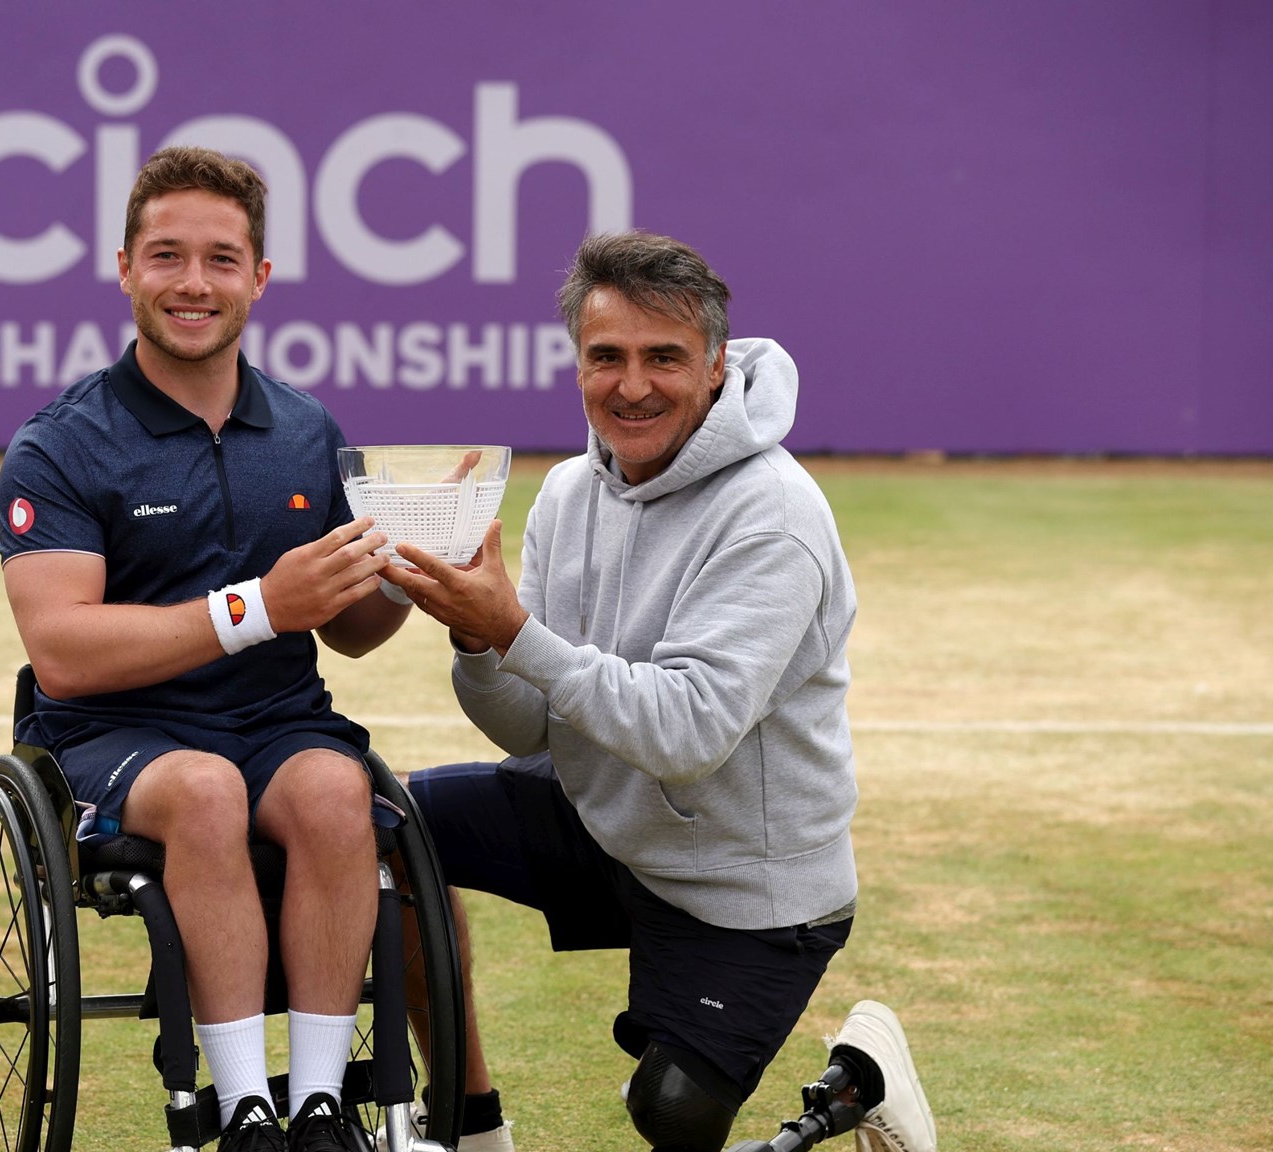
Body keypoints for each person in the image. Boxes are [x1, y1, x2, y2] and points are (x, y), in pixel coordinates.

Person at [384, 232, 937, 1152]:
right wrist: (478, 638)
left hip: (746, 887)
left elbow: (688, 732)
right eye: (607, 356)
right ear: (577, 366)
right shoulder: (566, 491)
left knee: (673, 1112)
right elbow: (530, 732)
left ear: (715, 366)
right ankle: (470, 1128)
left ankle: (858, 1084)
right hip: (605, 825)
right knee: (374, 825)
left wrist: (518, 631)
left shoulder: (775, 514)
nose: (631, 385)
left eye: (663, 358)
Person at [0, 146, 411, 1152]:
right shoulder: (57, 446)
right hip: (116, 737)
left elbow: (352, 634)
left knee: (331, 791)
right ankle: (240, 1112)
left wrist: (407, 576)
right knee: (206, 793)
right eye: (167, 256)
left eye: (220, 259)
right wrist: (260, 606)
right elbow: (63, 653)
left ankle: (314, 1107)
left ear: (258, 279)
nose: (193, 283)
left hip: (275, 724)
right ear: (125, 267)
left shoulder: (308, 430)